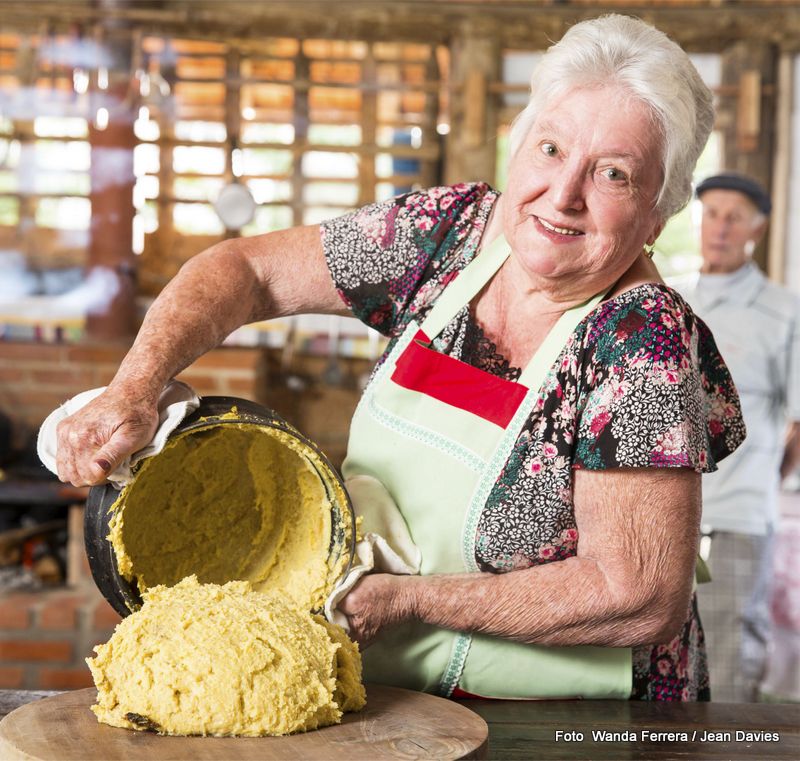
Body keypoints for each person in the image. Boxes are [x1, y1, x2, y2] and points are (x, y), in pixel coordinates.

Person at [55, 15, 745, 701]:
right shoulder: (451, 235)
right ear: (519, 145)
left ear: (658, 211)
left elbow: (638, 595)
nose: (563, 195)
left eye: (613, 174)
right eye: (551, 148)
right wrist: (136, 387)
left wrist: (411, 601)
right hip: (403, 697)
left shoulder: (641, 337)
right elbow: (248, 271)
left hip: (567, 725)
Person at [670, 172, 800, 701]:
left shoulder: (784, 312)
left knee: (726, 666)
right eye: (712, 214)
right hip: (665, 514)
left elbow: (798, 426)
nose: (720, 228)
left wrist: (762, 479)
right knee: (654, 664)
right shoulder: (669, 299)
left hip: (737, 520)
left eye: (735, 216)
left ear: (757, 229)